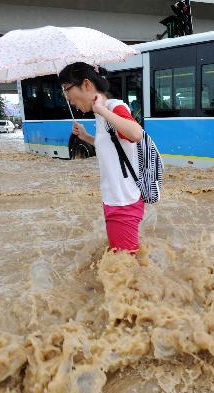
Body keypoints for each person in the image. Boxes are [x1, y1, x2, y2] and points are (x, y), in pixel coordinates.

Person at [58, 62, 146, 254]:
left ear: (87, 84)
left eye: (67, 90)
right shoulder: (101, 114)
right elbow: (114, 148)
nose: (68, 99)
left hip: (123, 203)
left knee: (125, 267)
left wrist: (103, 111)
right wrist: (85, 136)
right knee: (124, 261)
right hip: (115, 201)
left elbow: (136, 134)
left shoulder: (113, 108)